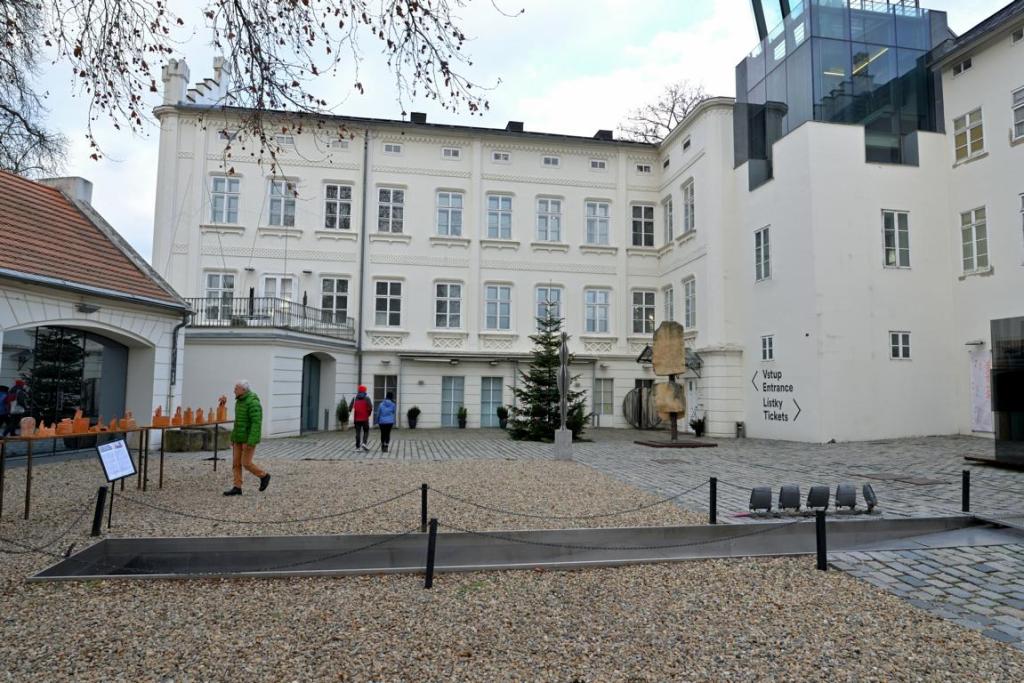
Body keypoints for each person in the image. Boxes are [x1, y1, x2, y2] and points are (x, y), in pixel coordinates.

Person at [224, 380, 270, 496]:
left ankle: (264, 476)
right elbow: (238, 422)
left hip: (248, 439)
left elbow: (256, 423)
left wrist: (251, 440)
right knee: (236, 463)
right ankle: (237, 487)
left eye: (236, 388)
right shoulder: (239, 401)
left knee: (246, 463)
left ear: (243, 390)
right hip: (238, 438)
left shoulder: (253, 402)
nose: (234, 390)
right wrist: (233, 437)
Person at [350, 385, 373, 451]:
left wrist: (354, 413)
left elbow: (350, 408)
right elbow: (370, 408)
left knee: (358, 432)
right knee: (366, 431)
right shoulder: (367, 398)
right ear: (365, 391)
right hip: (365, 418)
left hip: (356, 419)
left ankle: (357, 447)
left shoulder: (354, 398)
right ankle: (364, 443)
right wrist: (368, 414)